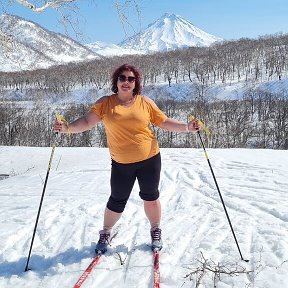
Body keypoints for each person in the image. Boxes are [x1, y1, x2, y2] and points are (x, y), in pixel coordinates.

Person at [54, 63, 201, 253]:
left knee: (151, 197)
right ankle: (106, 231)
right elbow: (86, 121)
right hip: (121, 163)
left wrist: (187, 127)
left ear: (136, 83)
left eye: (131, 79)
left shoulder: (145, 102)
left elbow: (163, 121)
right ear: (116, 81)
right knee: (117, 200)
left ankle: (155, 229)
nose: (126, 82)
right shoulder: (105, 103)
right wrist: (67, 128)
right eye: (122, 78)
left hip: (149, 159)